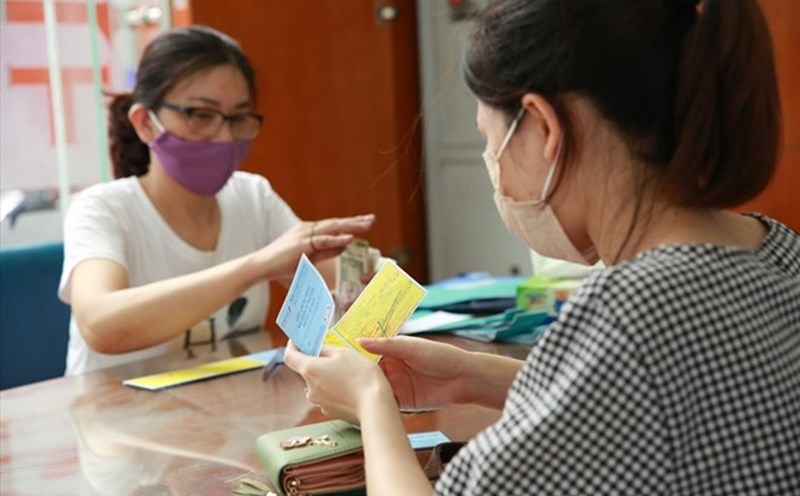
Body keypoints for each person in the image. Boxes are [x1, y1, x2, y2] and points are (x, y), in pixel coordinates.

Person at [285, 0, 800, 494]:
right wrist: (475, 376)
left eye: (492, 141)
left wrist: (372, 403)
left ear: (544, 127)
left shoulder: (627, 312)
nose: (493, 164)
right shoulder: (780, 250)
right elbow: (672, 405)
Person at [58, 26, 375, 375]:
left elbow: (341, 285)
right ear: (146, 124)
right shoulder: (102, 208)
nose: (223, 137)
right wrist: (260, 266)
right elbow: (100, 325)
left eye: (238, 119)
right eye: (200, 115)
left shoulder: (252, 196)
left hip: (231, 411)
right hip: (116, 418)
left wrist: (361, 285)